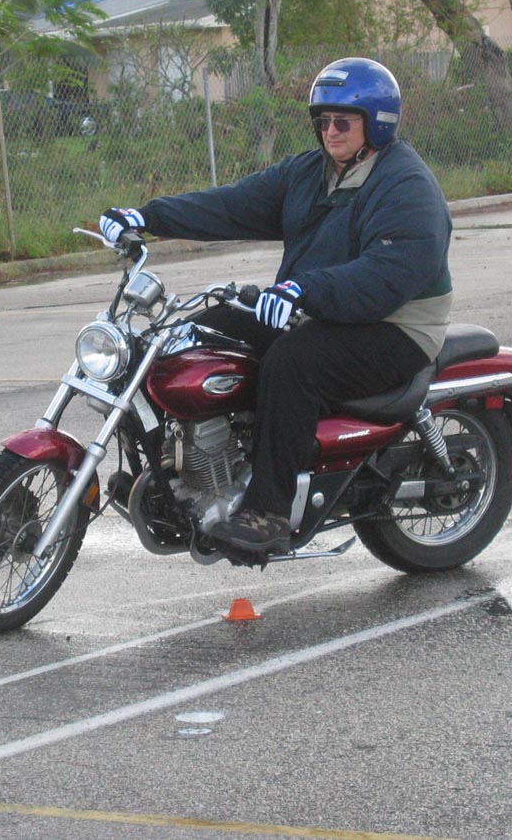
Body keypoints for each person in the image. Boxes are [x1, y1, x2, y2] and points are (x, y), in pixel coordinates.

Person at [98, 57, 453, 555]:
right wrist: (148, 217)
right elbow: (232, 204)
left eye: (343, 121)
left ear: (378, 124)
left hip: (396, 324)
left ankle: (268, 512)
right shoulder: (309, 173)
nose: (330, 131)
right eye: (323, 121)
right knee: (202, 332)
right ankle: (175, 475)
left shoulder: (405, 185)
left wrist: (302, 291)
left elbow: (387, 274)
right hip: (320, 307)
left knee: (293, 361)